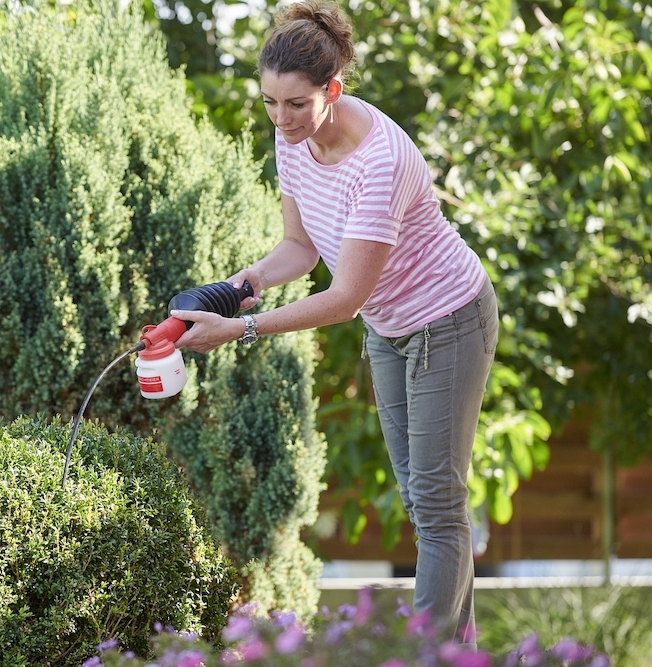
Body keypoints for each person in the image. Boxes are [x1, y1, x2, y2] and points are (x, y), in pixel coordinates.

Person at [171, 0, 498, 644]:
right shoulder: (291, 137)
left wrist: (240, 331)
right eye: (269, 102)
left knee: (436, 503)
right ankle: (460, 655)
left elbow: (344, 296)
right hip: (390, 327)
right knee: (425, 501)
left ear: (334, 90)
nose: (280, 118)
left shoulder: (380, 162)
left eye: (295, 104)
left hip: (450, 319)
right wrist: (244, 286)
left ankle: (422, 657)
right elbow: (301, 245)